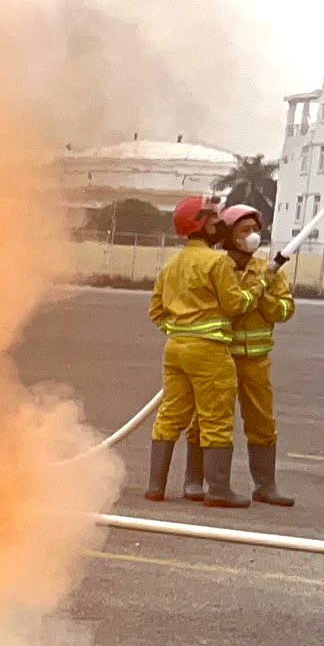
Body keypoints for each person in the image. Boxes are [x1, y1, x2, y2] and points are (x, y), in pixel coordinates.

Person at [181, 204, 296, 506]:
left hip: (256, 360)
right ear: (229, 236)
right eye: (244, 231)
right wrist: (248, 293)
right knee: (206, 420)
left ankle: (265, 486)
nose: (253, 236)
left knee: (262, 422)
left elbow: (285, 310)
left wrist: (264, 295)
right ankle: (195, 480)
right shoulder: (216, 267)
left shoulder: (267, 271)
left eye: (255, 230)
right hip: (219, 358)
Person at [145, 194, 254, 506]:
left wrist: (180, 331)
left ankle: (156, 487)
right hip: (209, 352)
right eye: (214, 220)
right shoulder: (218, 262)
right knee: (216, 417)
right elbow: (234, 305)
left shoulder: (171, 265)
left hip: (175, 349)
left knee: (170, 416)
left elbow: (156, 310)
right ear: (202, 225)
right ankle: (218, 491)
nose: (219, 224)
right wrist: (255, 292)